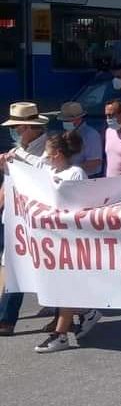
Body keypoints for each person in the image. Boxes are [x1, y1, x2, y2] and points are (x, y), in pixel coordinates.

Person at [2, 131, 103, 352]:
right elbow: (32, 163)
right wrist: (13, 157)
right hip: (51, 240)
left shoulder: (75, 174)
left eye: (47, 151)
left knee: (64, 286)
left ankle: (60, 335)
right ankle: (86, 312)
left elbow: (80, 206)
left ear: (56, 153)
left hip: (71, 239)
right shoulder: (48, 169)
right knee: (57, 286)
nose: (44, 155)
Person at [0, 102, 49, 337]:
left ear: (28, 127)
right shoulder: (20, 147)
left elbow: (46, 170)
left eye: (17, 127)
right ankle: (6, 319)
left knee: (48, 266)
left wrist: (18, 157)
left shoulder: (48, 147)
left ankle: (74, 312)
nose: (15, 132)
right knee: (14, 265)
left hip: (39, 217)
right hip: (17, 215)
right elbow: (10, 183)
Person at [57, 102, 102, 177]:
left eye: (68, 120)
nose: (65, 123)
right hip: (69, 175)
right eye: (64, 120)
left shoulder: (91, 135)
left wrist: (70, 169)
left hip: (88, 178)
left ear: (79, 119)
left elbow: (95, 162)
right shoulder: (65, 133)